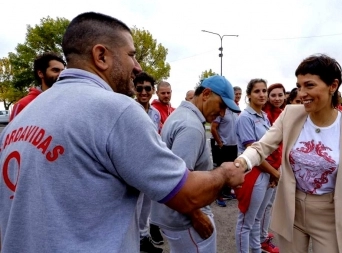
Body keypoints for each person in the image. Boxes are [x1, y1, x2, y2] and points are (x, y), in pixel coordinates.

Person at [0, 12, 247, 253]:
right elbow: (186, 194)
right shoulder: (116, 110)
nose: (137, 67)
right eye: (131, 55)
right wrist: (224, 174)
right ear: (101, 56)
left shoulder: (22, 119)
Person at [236, 54, 342, 253]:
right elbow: (261, 147)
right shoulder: (291, 114)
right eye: (299, 86)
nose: (302, 93)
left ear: (333, 85)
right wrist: (240, 164)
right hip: (291, 210)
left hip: (330, 216)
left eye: (309, 85)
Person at [151, 75, 240, 253]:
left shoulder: (182, 115)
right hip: (186, 220)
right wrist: (196, 216)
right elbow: (178, 183)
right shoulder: (190, 126)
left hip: (178, 217)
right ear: (206, 94)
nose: (222, 113)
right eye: (221, 105)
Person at [234, 79, 281, 253]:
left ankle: (256, 249)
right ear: (249, 95)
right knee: (246, 221)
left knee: (256, 219)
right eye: (257, 91)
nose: (262, 94)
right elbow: (253, 153)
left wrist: (273, 173)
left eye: (264, 91)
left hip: (266, 173)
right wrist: (275, 173)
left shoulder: (264, 116)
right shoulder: (246, 117)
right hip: (252, 173)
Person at [133, 72, 162, 253]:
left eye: (147, 88)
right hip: (133, 165)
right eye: (139, 88)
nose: (143, 92)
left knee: (147, 205)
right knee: (134, 205)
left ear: (153, 91)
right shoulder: (129, 108)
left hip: (150, 165)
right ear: (134, 89)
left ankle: (143, 236)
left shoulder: (155, 114)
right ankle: (133, 240)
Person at [259, 83, 287, 253]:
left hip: (278, 164)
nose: (277, 98)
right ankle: (261, 239)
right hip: (268, 166)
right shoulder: (266, 115)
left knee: (269, 204)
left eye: (280, 95)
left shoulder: (284, 113)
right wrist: (273, 172)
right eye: (273, 95)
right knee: (264, 205)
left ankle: (262, 234)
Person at [9, 52, 66, 121]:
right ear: (40, 73)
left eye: (63, 71)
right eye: (55, 70)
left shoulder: (66, 101)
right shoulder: (23, 105)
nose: (61, 74)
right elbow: (13, 131)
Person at [210, 85, 240, 207]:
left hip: (233, 145)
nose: (237, 96)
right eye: (235, 94)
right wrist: (220, 143)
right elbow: (213, 128)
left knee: (230, 171)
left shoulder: (236, 109)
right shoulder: (221, 110)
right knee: (220, 172)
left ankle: (227, 192)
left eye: (239, 94)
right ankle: (218, 195)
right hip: (223, 146)